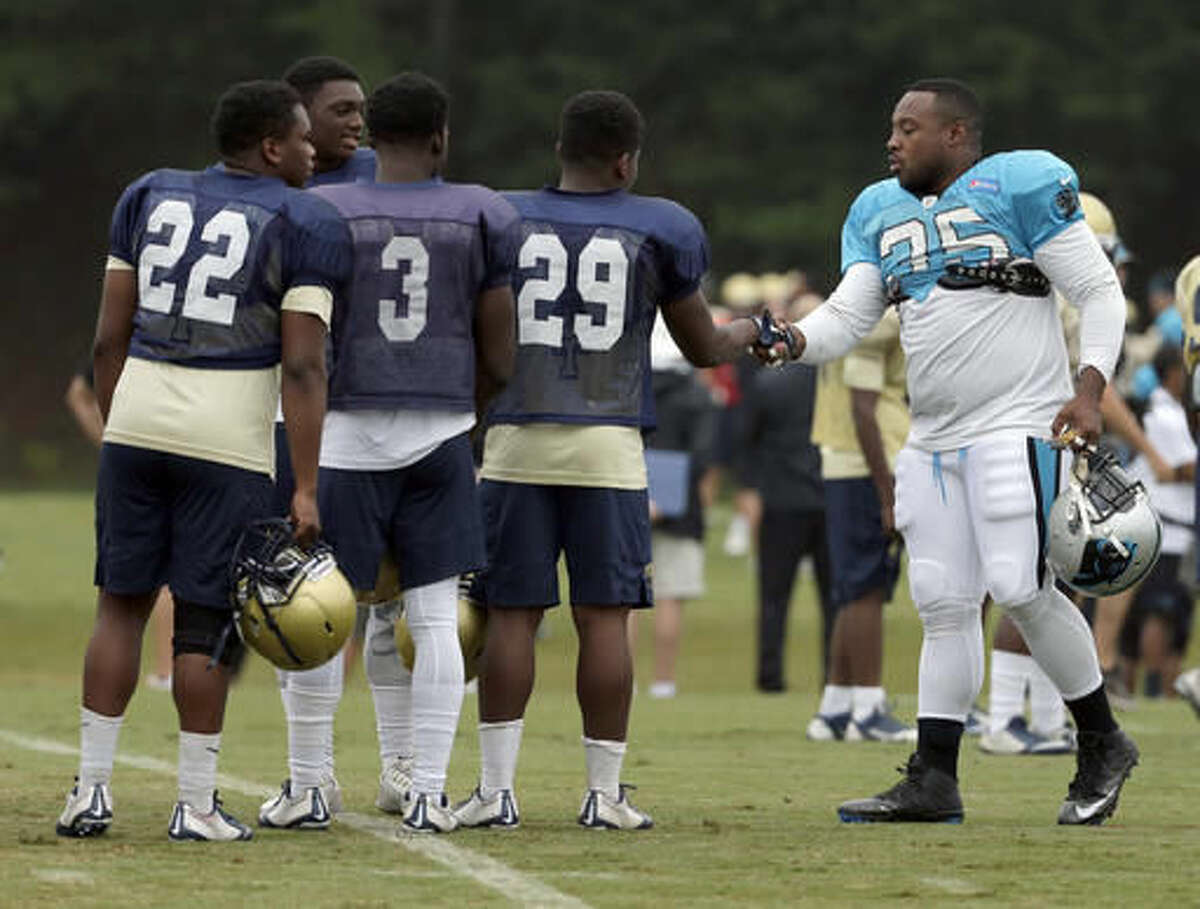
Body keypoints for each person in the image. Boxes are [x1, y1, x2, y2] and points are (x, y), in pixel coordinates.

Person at [759, 78, 1137, 825]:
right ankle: (935, 775)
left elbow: (1099, 292)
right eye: (891, 127)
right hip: (932, 435)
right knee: (941, 601)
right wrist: (792, 341)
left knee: (1021, 587)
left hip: (1018, 419)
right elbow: (845, 317)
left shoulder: (1020, 184)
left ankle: (1102, 739)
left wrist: (1089, 390)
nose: (892, 140)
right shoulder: (876, 210)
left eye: (909, 128)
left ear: (957, 135)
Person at [454, 89, 764, 831]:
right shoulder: (660, 226)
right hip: (608, 441)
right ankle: (603, 793)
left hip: (516, 435)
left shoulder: (501, 215)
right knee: (604, 618)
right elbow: (701, 348)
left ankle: (497, 791)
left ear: (560, 151)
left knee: (512, 618)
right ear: (626, 159)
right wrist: (756, 328)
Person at [55, 79, 345, 841]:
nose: (315, 148)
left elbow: (106, 339)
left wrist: (122, 424)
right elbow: (305, 367)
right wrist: (307, 483)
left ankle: (89, 791)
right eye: (303, 136)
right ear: (271, 145)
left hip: (139, 412)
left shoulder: (148, 192)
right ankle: (195, 802)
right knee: (206, 620)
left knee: (119, 603)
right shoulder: (305, 218)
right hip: (228, 432)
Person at [300, 71, 517, 834]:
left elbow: (300, 338)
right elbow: (500, 354)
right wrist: (464, 414)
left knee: (323, 612)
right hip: (441, 433)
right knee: (431, 616)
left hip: (348, 433)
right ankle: (427, 788)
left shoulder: (324, 210)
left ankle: (310, 782)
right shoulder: (482, 211)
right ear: (440, 138)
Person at [259, 54, 379, 830]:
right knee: (303, 598)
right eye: (339, 111)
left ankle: (400, 767)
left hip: (379, 408)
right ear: (295, 121)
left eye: (361, 110)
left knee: (401, 601)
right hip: (298, 410)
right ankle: (313, 775)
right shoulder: (272, 188)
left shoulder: (382, 175)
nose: (356, 124)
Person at [806, 307, 914, 742]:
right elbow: (863, 407)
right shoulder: (877, 317)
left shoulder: (844, 308)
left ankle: (836, 705)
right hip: (871, 462)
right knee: (866, 586)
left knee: (854, 587)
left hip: (846, 459)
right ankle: (867, 710)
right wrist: (887, 492)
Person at [65, 362, 175, 692]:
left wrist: (113, 445)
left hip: (134, 458)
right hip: (199, 453)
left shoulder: (135, 329)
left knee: (120, 595)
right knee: (182, 570)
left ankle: (167, 672)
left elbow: (77, 392)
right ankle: (171, 671)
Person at [743, 294, 833, 694]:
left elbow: (747, 439)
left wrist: (749, 488)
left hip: (781, 497)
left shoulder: (770, 381)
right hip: (832, 496)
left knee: (774, 597)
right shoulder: (838, 379)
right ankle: (837, 678)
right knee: (836, 598)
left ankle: (770, 677)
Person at [630, 316, 718, 699]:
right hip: (681, 512)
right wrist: (667, 498)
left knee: (625, 600)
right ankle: (664, 680)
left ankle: (625, 680)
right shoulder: (697, 395)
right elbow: (704, 453)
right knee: (670, 597)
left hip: (627, 497)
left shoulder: (628, 387)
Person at [1117, 343, 1194, 697]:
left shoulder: (1165, 412)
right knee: (1160, 614)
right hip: (1168, 530)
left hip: (1160, 527)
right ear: (1174, 373)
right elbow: (1181, 468)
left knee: (1141, 621)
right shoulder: (1165, 416)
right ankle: (1156, 691)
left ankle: (1136, 688)